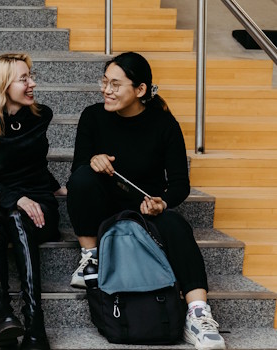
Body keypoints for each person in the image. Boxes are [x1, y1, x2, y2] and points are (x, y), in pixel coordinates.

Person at [66, 52, 225, 350]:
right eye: (104, 82)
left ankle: (198, 313)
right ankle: (90, 258)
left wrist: (162, 202)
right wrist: (93, 160)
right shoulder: (92, 116)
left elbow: (180, 184)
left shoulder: (164, 124)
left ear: (140, 90)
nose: (106, 90)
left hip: (145, 210)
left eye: (115, 84)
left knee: (178, 227)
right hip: (102, 210)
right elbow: (76, 172)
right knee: (83, 177)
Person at [0, 53, 60, 350]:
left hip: (37, 196)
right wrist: (16, 198)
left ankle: (35, 322)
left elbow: (33, 164)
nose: (32, 83)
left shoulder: (40, 116)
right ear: (2, 85)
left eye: (30, 76)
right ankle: (3, 314)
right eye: (24, 79)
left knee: (19, 218)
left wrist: (53, 189)